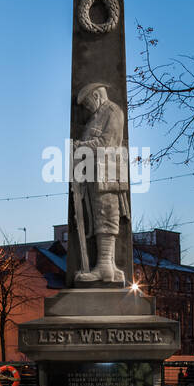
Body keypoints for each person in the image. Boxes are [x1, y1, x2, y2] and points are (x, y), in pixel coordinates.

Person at [72, 82, 130, 284]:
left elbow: (107, 143)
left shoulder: (113, 111)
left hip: (109, 171)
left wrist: (80, 146)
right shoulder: (97, 116)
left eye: (88, 103)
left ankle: (105, 266)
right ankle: (109, 268)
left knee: (106, 214)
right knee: (100, 214)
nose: (87, 109)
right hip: (96, 173)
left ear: (96, 96)